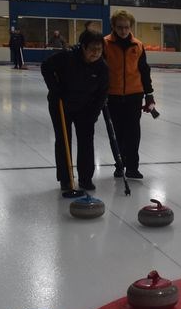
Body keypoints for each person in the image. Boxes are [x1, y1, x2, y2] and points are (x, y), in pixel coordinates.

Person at [41, 30, 109, 191]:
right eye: (92, 49)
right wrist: (54, 88)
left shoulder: (102, 67)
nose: (96, 53)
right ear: (83, 47)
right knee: (64, 140)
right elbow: (46, 67)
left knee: (86, 141)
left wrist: (94, 113)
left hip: (85, 107)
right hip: (61, 104)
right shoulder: (67, 57)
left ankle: (86, 178)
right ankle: (65, 178)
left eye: (99, 49)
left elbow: (102, 93)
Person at [103, 10, 154, 179]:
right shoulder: (105, 44)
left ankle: (132, 167)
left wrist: (149, 95)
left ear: (131, 27)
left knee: (133, 133)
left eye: (126, 27)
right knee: (116, 133)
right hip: (112, 96)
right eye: (120, 27)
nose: (123, 31)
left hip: (134, 95)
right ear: (113, 26)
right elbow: (101, 70)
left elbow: (144, 71)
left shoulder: (137, 45)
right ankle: (119, 164)